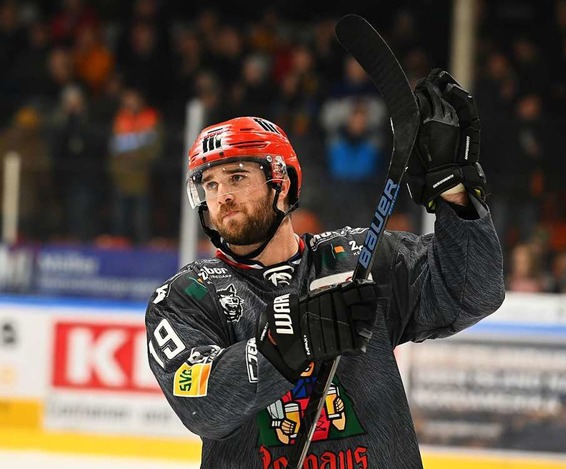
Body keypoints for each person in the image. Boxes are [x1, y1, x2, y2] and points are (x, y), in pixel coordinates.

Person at [145, 69, 505, 468]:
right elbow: (204, 405)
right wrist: (292, 340)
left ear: (282, 182)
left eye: (237, 176)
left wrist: (454, 194)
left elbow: (473, 294)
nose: (223, 195)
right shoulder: (187, 296)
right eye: (209, 184)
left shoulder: (358, 257)